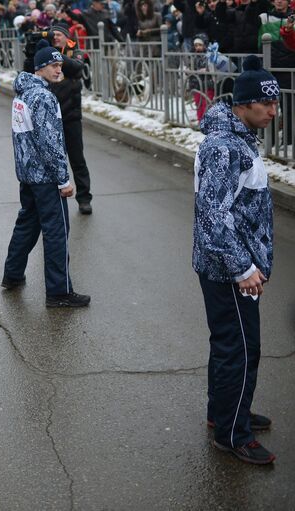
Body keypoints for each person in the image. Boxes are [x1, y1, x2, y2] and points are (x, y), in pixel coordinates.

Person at [193, 54, 278, 465]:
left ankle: (224, 413)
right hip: (230, 268)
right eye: (267, 104)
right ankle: (232, 433)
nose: (274, 111)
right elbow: (214, 216)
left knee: (228, 345)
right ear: (243, 104)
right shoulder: (224, 147)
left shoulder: (237, 137)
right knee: (241, 349)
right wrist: (243, 268)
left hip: (233, 263)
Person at [2, 40, 91, 308]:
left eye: (60, 65)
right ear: (40, 68)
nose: (58, 70)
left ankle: (13, 274)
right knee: (56, 232)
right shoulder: (42, 97)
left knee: (27, 224)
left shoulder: (23, 92)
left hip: (28, 174)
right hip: (46, 177)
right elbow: (49, 142)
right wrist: (63, 179)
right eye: (53, 66)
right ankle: (59, 292)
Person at [49, 23, 93, 214]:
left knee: (77, 160)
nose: (55, 37)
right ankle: (53, 197)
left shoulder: (76, 51)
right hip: (51, 117)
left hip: (71, 117)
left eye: (59, 34)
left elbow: (76, 68)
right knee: (52, 159)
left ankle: (84, 198)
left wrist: (55, 57)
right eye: (53, 35)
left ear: (67, 37)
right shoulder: (46, 53)